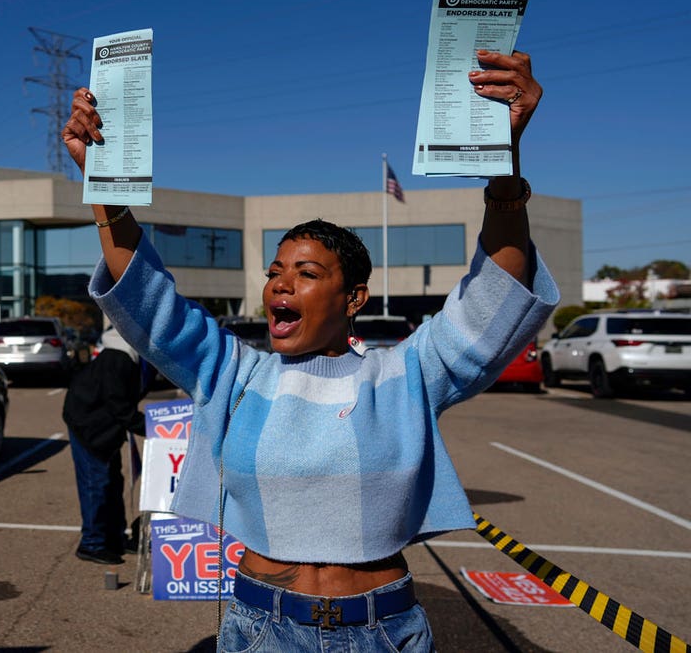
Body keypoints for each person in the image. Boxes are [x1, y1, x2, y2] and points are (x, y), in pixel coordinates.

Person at [62, 49, 556, 651]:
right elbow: (149, 302)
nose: (281, 284)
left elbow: (495, 297)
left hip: (383, 630)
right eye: (275, 272)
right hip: (259, 628)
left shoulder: (408, 373)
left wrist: (503, 166)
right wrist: (103, 186)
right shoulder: (232, 372)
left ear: (353, 298)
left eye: (306, 272)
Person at [62, 325, 151, 565]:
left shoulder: (135, 357)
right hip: (89, 424)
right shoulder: (117, 358)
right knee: (96, 482)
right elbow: (118, 404)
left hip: (105, 425)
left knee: (113, 481)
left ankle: (114, 537)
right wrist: (152, 427)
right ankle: (92, 543)